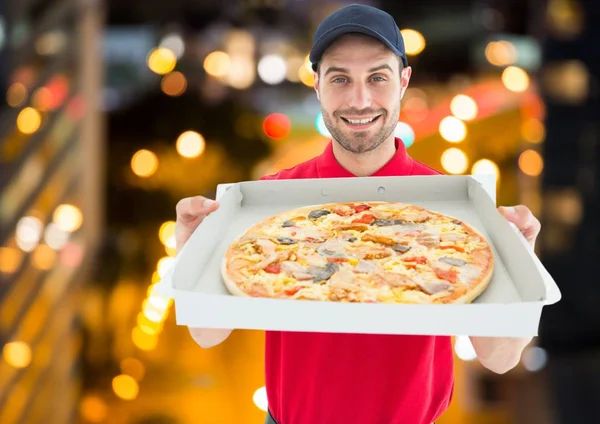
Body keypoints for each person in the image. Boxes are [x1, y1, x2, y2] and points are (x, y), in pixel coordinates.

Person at [174, 4, 541, 424]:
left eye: (378, 78)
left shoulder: (453, 210)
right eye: (340, 79)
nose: (360, 99)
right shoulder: (273, 199)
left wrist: (521, 257)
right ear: (317, 86)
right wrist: (191, 247)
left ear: (403, 81)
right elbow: (207, 333)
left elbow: (500, 357)